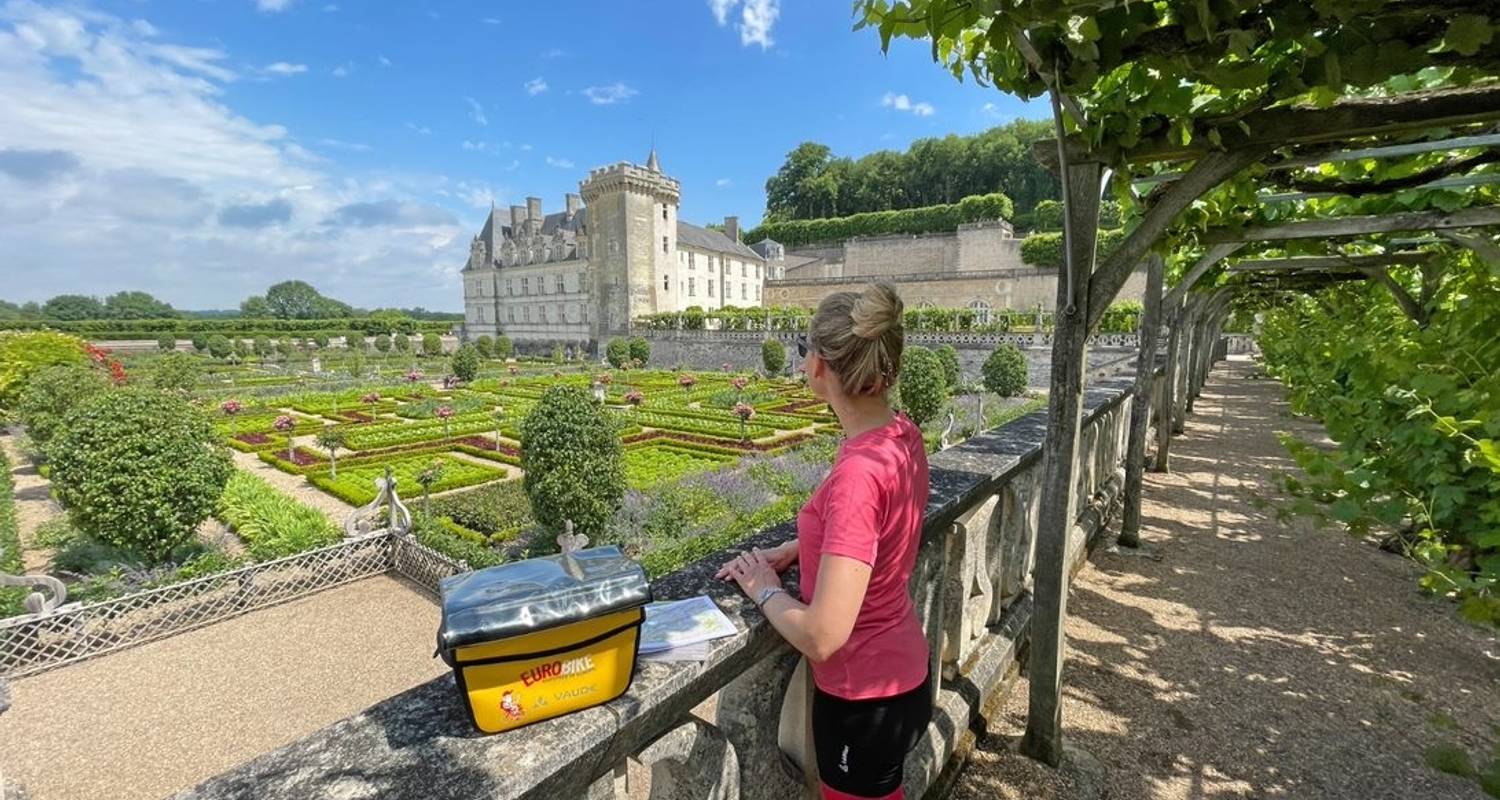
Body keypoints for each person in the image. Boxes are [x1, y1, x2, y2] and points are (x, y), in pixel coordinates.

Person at [718, 282, 932, 800]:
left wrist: (765, 589)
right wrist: (803, 548)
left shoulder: (860, 471)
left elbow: (822, 635)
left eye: (803, 349)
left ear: (818, 365)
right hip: (903, 674)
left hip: (863, 697)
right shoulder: (899, 436)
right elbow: (875, 536)